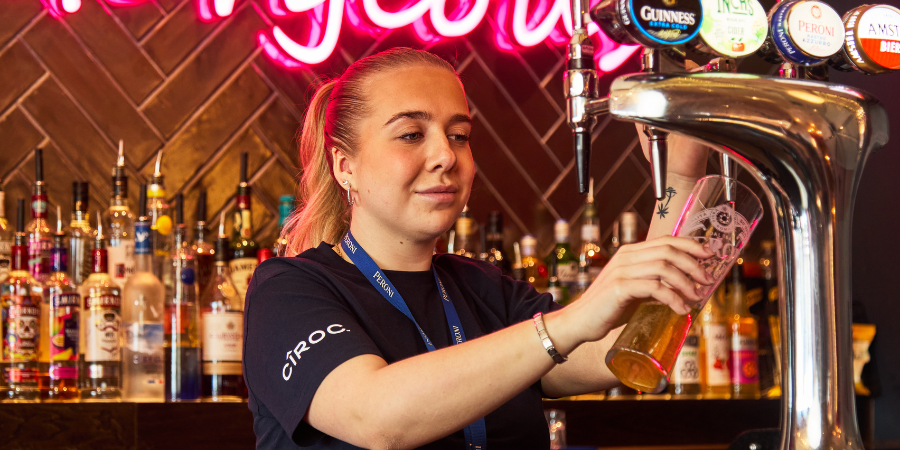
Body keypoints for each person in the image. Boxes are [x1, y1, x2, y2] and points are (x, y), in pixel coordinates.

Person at [243, 47, 712, 449]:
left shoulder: (482, 287)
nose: (446, 155)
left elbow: (626, 350)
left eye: (459, 135)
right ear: (345, 166)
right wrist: (568, 322)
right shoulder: (288, 290)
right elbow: (375, 417)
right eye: (411, 134)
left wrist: (681, 179)